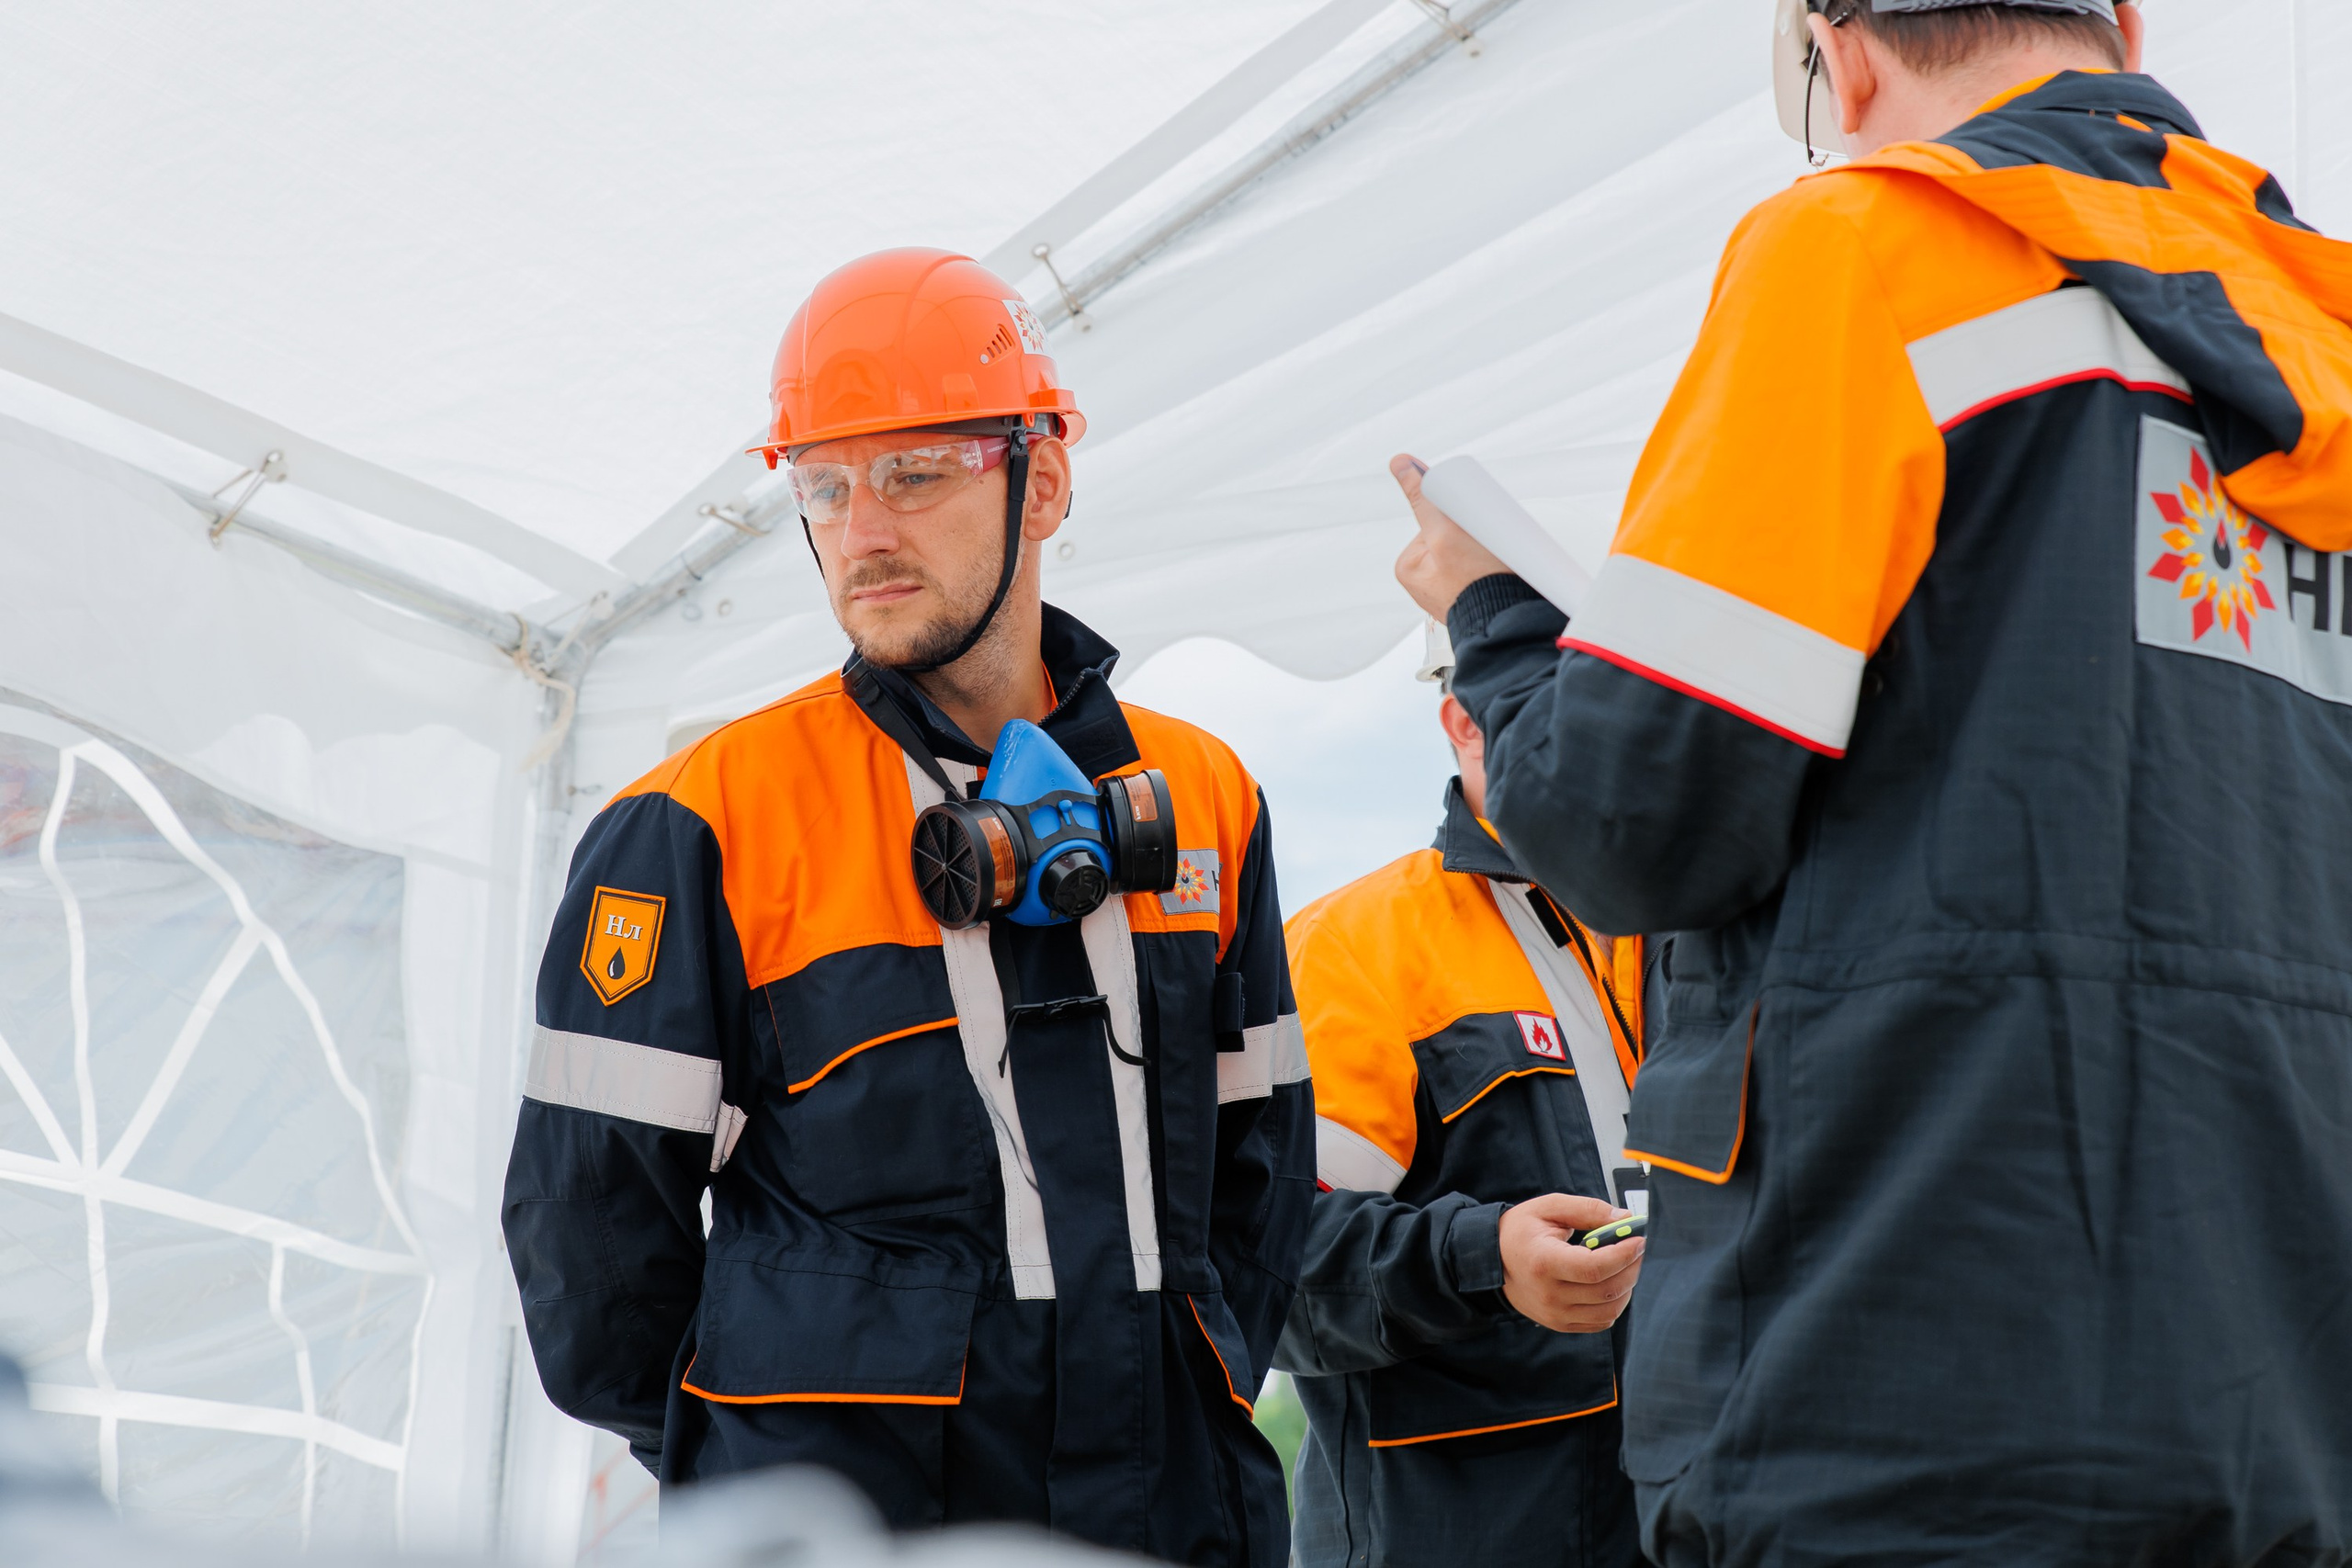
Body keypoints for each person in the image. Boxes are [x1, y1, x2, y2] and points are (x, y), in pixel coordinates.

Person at [1392, 3, 2352, 1563]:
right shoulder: (2324, 330)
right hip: (2287, 1390)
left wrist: (1492, 625)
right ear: (2117, 25)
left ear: (1837, 58)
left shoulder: (1859, 254)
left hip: (1899, 1384)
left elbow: (1643, 818)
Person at [503, 248, 1313, 1564]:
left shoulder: (1204, 794)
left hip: (1178, 1512)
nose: (861, 528)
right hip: (850, 1530)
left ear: (1041, 479)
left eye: (915, 471)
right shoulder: (704, 820)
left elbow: (1262, 1183)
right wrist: (760, 1456)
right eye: (823, 485)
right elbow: (592, 1250)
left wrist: (1193, 1367)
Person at [1273, 622, 1651, 1568]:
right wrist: (1485, 1259)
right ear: (1462, 723)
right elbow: (1264, 1272)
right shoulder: (1354, 948)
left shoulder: (1682, 935)